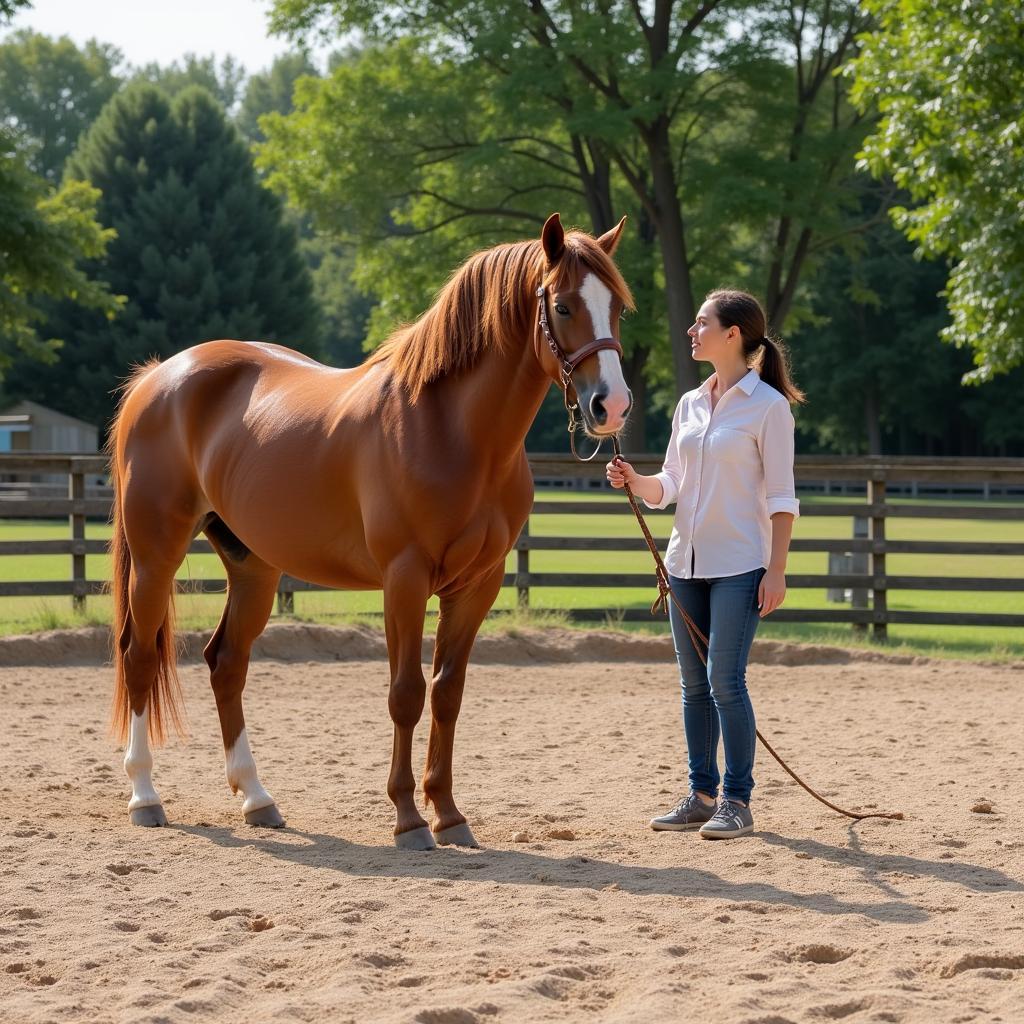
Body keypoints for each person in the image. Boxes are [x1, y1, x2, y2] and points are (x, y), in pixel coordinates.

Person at [606, 289, 804, 839]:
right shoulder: (689, 403)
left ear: (733, 334)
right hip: (684, 564)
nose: (692, 332)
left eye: (702, 323)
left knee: (725, 681)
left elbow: (782, 498)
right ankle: (700, 794)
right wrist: (635, 480)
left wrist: (777, 569)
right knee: (693, 685)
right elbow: (670, 484)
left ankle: (737, 802)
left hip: (741, 564)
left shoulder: (769, 408)